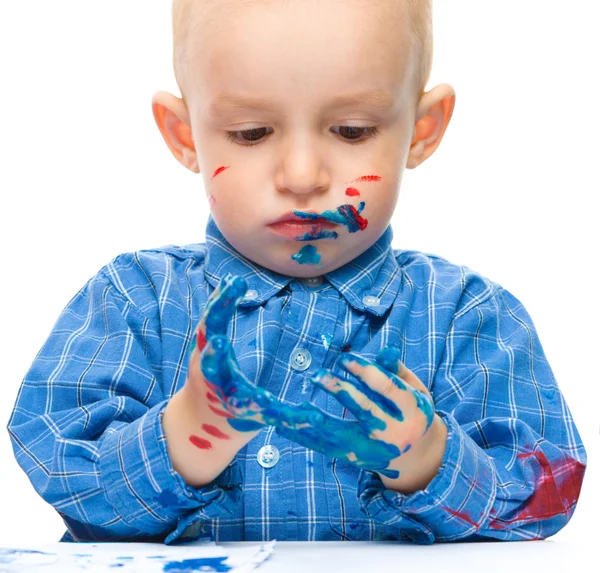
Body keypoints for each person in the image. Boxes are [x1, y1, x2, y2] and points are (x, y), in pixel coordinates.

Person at [7, 0, 586, 545]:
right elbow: (53, 456)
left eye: (353, 130)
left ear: (422, 128)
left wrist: (429, 459)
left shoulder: (468, 315)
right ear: (185, 136)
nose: (304, 175)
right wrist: (184, 436)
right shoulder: (133, 301)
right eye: (252, 133)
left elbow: (548, 498)